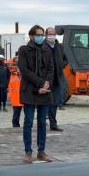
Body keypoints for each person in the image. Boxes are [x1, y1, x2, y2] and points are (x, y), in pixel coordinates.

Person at [18, 25, 54, 163]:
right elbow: (24, 70)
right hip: (30, 92)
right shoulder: (24, 50)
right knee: (28, 122)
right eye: (38, 35)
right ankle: (28, 151)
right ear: (32, 36)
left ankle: (41, 151)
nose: (41, 37)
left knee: (42, 123)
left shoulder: (47, 50)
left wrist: (47, 84)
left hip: (44, 91)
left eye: (42, 35)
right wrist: (40, 84)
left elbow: (51, 69)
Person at [45, 27, 68, 131]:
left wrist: (60, 65)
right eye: (50, 34)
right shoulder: (42, 46)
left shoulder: (59, 46)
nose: (52, 36)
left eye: (53, 34)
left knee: (54, 103)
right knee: (45, 102)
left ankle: (53, 124)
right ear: (46, 35)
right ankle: (42, 122)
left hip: (57, 78)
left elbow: (65, 60)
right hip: (45, 80)